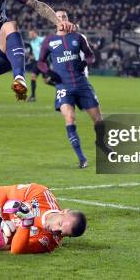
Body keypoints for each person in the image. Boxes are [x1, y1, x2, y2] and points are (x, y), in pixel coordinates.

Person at [37, 10, 102, 169]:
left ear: (68, 19)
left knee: (99, 121)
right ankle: (82, 159)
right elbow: (41, 62)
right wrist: (48, 72)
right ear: (54, 21)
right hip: (63, 86)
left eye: (64, 16)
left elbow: (90, 55)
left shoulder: (78, 37)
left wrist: (85, 63)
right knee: (70, 118)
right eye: (58, 17)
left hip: (82, 84)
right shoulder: (49, 41)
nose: (61, 19)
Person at [27, 29, 45, 102]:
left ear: (35, 33)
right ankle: (33, 96)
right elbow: (35, 52)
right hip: (37, 62)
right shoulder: (31, 43)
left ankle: (62, 87)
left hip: (44, 62)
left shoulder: (42, 40)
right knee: (33, 77)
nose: (30, 36)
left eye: (31, 34)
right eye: (29, 34)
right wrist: (31, 56)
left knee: (46, 80)